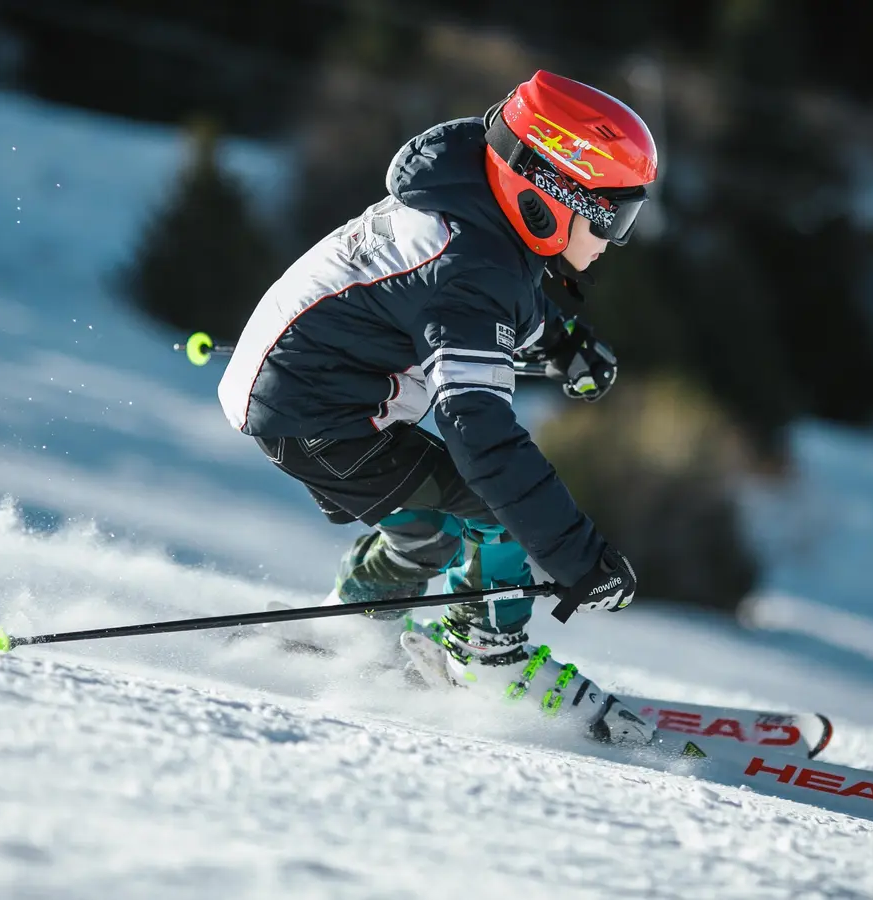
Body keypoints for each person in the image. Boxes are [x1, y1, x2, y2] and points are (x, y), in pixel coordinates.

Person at [218, 71, 656, 743]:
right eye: (611, 216)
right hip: (318, 416)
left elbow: (495, 300)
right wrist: (578, 558)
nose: (612, 241)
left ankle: (352, 625)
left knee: (432, 525)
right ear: (552, 195)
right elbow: (478, 433)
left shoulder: (470, 206)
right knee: (497, 514)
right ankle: (488, 656)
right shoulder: (468, 270)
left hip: (304, 392)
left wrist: (562, 342)